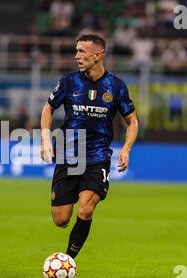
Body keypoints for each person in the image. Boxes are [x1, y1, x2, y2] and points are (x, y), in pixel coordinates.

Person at [40, 34, 139, 259]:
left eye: (82, 51)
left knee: (86, 207)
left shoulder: (116, 86)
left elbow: (133, 121)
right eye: (76, 51)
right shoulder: (68, 81)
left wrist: (126, 148)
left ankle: (67, 261)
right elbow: (48, 108)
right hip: (68, 154)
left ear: (98, 55)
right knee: (61, 219)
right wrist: (45, 137)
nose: (77, 56)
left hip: (97, 156)